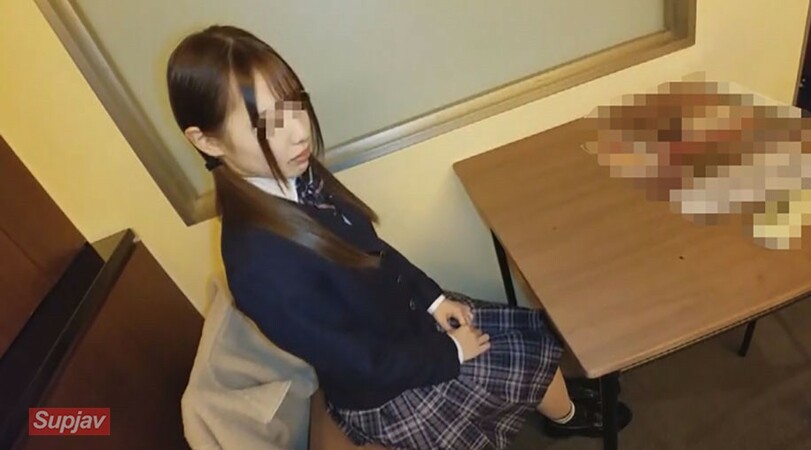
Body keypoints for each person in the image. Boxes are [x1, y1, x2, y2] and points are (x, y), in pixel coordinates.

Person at [166, 25, 630, 449]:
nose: (298, 132)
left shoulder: (291, 171)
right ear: (207, 141)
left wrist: (432, 300)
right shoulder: (257, 264)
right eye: (265, 124)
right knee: (521, 359)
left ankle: (561, 412)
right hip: (389, 387)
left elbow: (374, 250)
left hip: (407, 323)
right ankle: (566, 416)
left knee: (527, 346)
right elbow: (357, 361)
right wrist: (449, 352)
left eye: (294, 104)